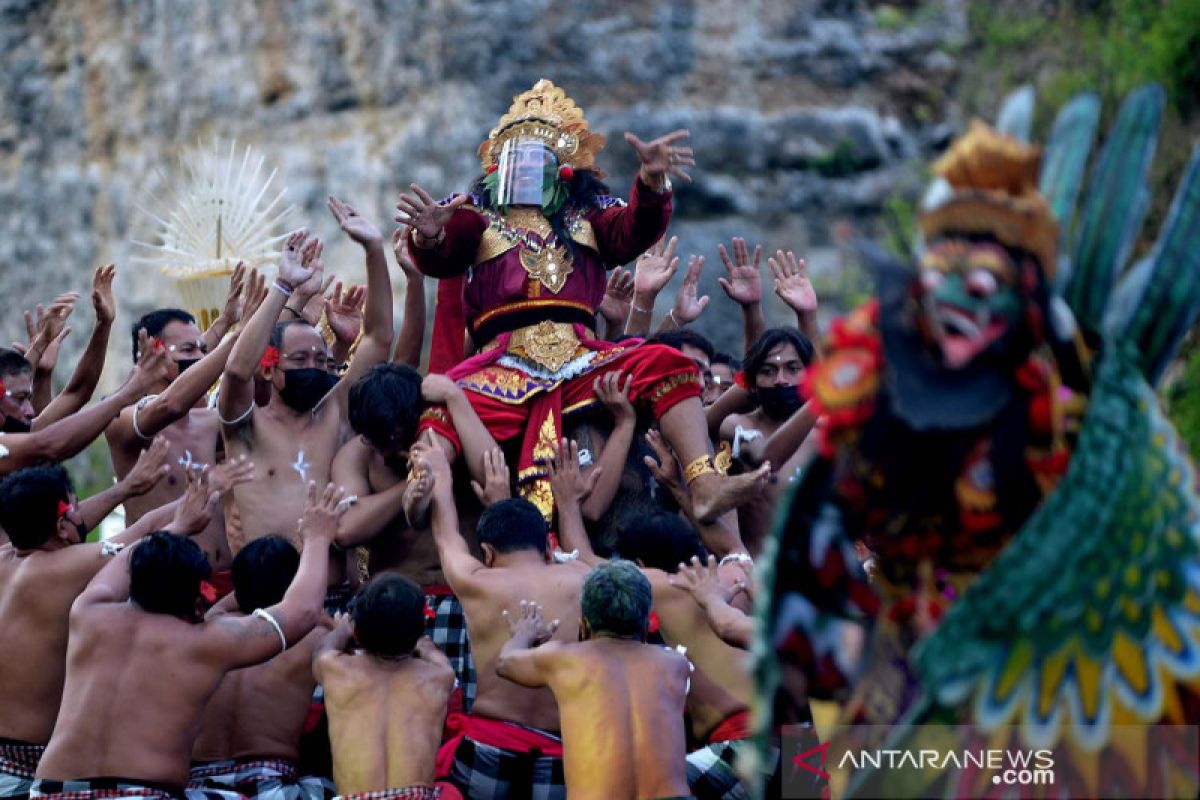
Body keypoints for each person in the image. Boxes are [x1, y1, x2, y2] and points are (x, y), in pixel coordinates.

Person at [398, 78, 766, 524]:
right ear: (497, 166)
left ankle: (703, 481)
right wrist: (432, 233)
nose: (527, 169)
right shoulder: (476, 216)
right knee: (440, 405)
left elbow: (633, 229)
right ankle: (423, 483)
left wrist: (651, 183)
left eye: (540, 160)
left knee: (670, 364)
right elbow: (444, 253)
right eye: (518, 158)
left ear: (566, 167)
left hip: (582, 358)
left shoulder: (588, 215)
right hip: (502, 362)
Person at [32, 481, 347, 799]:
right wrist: (317, 537)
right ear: (195, 600)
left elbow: (126, 562)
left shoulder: (89, 612)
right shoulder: (204, 642)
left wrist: (178, 526)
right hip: (143, 794)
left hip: (50, 791)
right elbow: (302, 610)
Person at [547, 441, 762, 799]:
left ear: (640, 566)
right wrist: (679, 489)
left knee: (643, 786)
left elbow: (579, 558)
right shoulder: (740, 569)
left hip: (742, 746)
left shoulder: (666, 585)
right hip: (800, 738)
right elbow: (727, 544)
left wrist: (568, 503)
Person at [0, 457, 212, 798]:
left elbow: (140, 529)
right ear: (61, 526)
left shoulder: (6, 559)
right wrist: (184, 522)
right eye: (76, 506)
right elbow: (140, 545)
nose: (81, 512)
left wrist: (200, 491)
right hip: (27, 770)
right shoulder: (70, 566)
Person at [412, 437, 588, 800]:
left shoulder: (477, 582)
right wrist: (569, 505)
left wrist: (441, 473)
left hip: (487, 747)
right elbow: (582, 553)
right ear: (549, 549)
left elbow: (446, 536)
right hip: (563, 749)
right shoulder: (585, 579)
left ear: (487, 553)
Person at [219, 199, 392, 559]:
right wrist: (283, 285)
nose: (313, 366)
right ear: (269, 368)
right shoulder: (245, 426)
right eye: (299, 359)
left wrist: (375, 251)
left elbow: (378, 339)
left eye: (320, 359)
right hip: (265, 597)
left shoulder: (333, 413)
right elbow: (236, 371)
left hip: (333, 596)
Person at [331, 365, 497, 709]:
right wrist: (414, 482)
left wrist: (455, 399)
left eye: (396, 437)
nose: (390, 450)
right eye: (378, 441)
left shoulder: (449, 430)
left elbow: (494, 478)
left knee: (464, 716)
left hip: (465, 600)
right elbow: (345, 528)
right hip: (395, 609)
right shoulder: (357, 455)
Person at [106, 266, 260, 583]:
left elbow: (272, 414)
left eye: (204, 350)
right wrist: (237, 335)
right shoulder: (123, 417)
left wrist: (291, 305)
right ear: (151, 354)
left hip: (224, 579)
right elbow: (171, 402)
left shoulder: (210, 421)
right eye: (190, 351)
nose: (202, 358)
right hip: (162, 580)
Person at [496, 561, 693, 800]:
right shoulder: (675, 665)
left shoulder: (563, 660)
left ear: (584, 625)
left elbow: (505, 662)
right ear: (644, 626)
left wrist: (524, 635)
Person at [189, 535, 336, 800]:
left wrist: (249, 583)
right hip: (272, 784)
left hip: (198, 786)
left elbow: (222, 606)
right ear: (293, 586)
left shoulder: (206, 631)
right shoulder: (314, 637)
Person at [313, 575, 457, 800]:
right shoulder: (439, 676)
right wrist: (423, 644)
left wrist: (342, 628)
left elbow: (324, 649)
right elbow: (434, 654)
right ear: (422, 628)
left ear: (357, 633)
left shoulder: (334, 669)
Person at [0, 329, 170, 477]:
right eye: (19, 398)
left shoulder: (16, 433)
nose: (30, 411)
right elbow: (48, 445)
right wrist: (123, 397)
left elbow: (77, 393)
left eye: (28, 399)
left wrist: (103, 324)